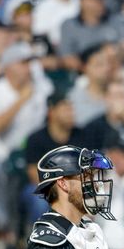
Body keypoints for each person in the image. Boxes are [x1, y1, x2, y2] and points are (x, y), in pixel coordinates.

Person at [0, 42, 53, 246]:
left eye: (29, 63)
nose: (28, 67)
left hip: (35, 154)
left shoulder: (41, 87)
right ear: (8, 67)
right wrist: (20, 100)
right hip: (0, 153)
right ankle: (5, 224)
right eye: (23, 63)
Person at [21, 90, 85, 233]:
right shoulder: (36, 139)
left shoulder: (82, 136)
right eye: (65, 108)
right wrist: (62, 193)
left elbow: (89, 171)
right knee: (37, 199)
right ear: (51, 111)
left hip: (77, 188)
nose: (71, 112)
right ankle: (45, 240)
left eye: (71, 108)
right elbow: (35, 176)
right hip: (46, 190)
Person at [58, 0, 124, 72]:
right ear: (83, 1)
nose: (101, 1)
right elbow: (67, 59)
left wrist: (115, 52)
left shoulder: (114, 18)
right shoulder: (69, 25)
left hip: (119, 70)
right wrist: (94, 70)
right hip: (86, 75)